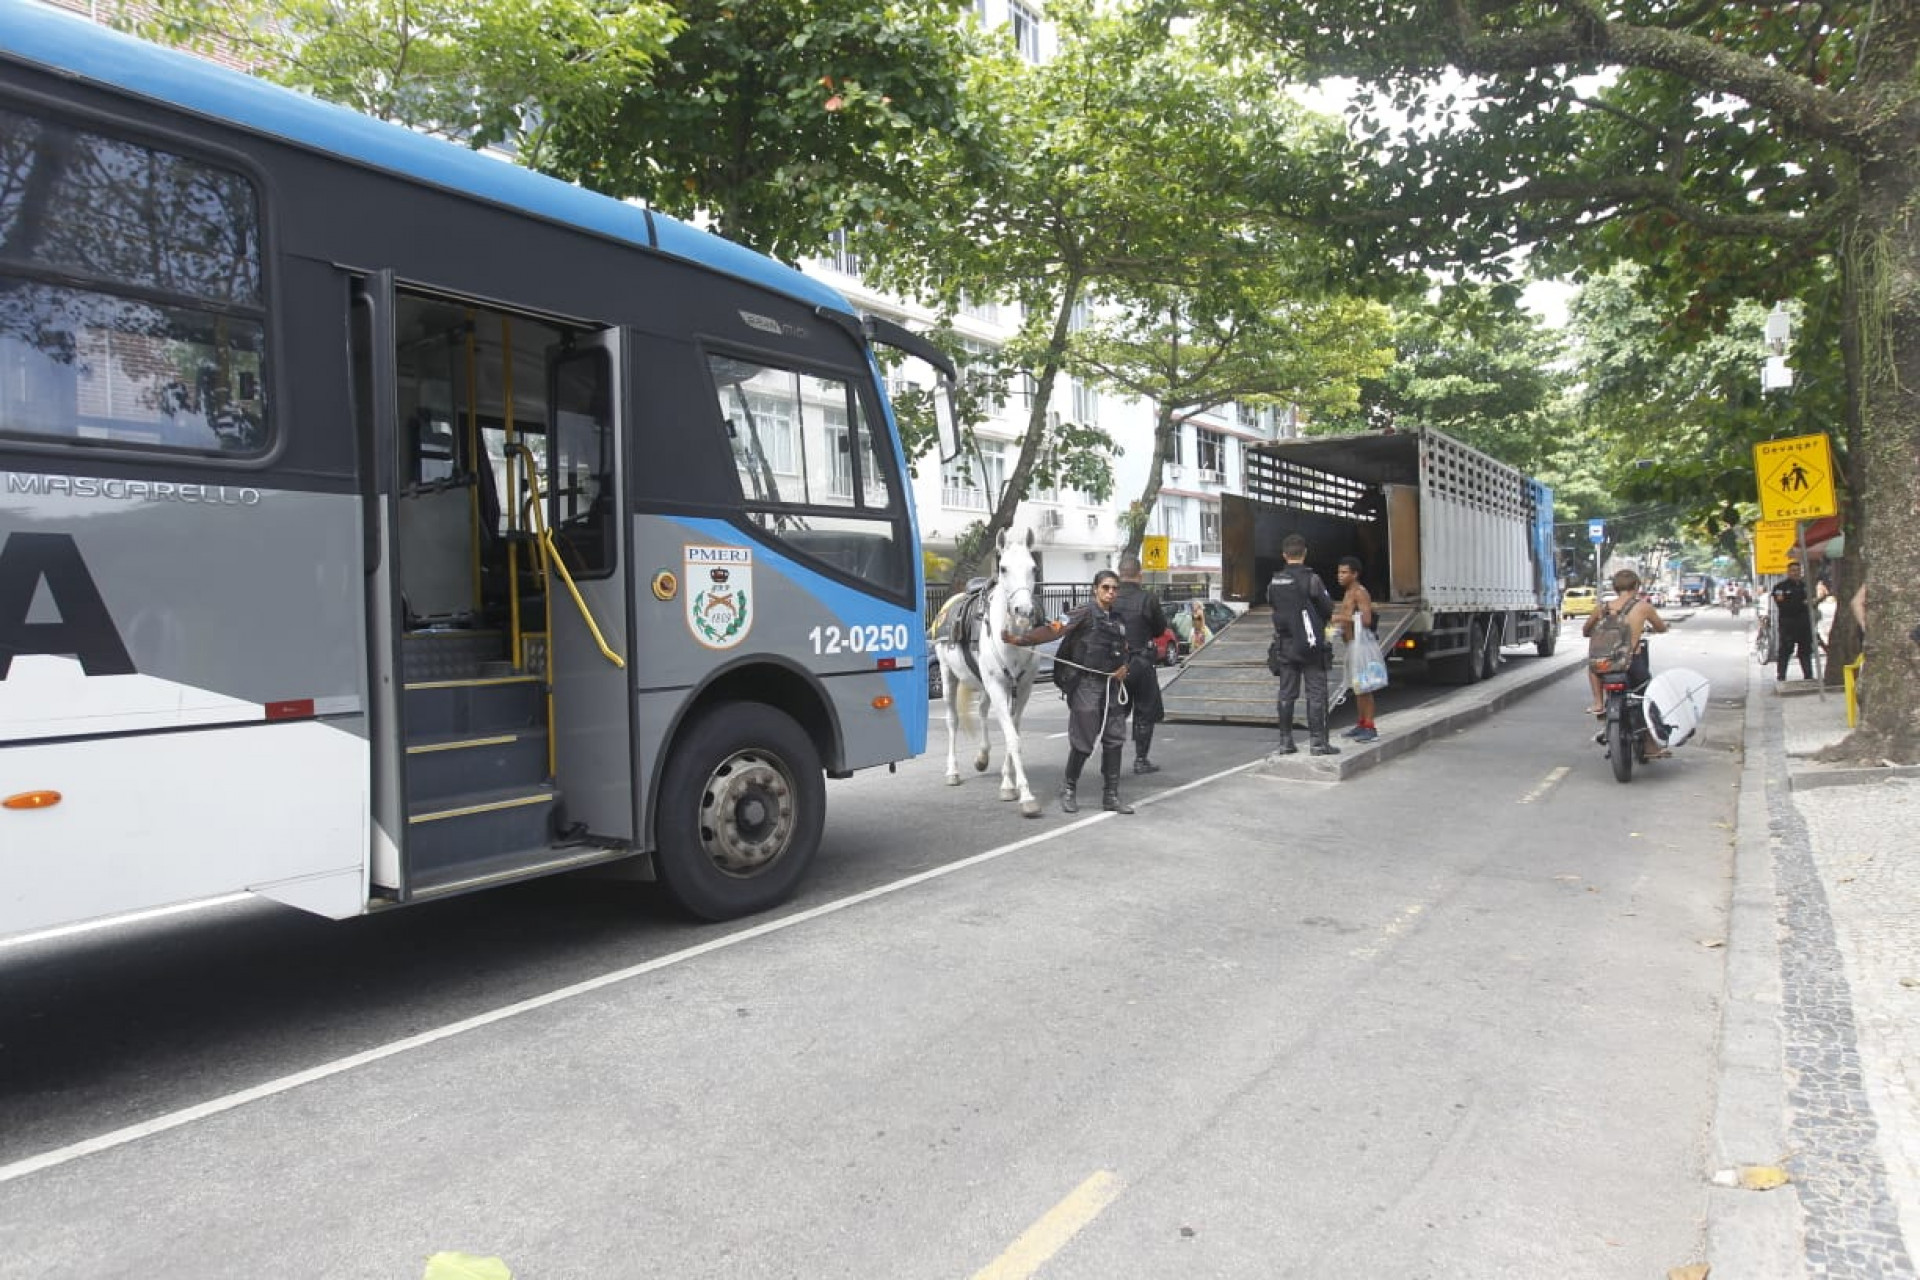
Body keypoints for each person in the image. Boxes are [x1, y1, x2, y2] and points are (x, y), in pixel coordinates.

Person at [1002, 569, 1135, 815]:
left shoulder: (1118, 618)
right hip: (1087, 685)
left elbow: (1125, 650)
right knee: (1083, 741)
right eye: (1106, 587)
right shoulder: (1083, 612)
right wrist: (1020, 640)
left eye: (1115, 588)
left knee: (1115, 739)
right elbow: (1054, 629)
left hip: (1112, 687)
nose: (1110, 592)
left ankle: (1111, 796)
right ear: (1095, 589)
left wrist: (1124, 668)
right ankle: (1069, 789)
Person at [1267, 534, 1339, 756]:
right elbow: (1328, 608)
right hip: (1310, 643)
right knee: (1316, 692)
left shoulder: (1275, 582)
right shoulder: (1312, 579)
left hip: (1285, 644)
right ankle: (1318, 743)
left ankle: (1285, 741)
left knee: (1286, 693)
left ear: (1284, 555)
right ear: (1305, 553)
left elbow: (1273, 605)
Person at [1581, 567, 1670, 725]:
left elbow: (1586, 631)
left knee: (1593, 666)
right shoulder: (1643, 607)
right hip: (1632, 662)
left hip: (1604, 664)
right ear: (1636, 586)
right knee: (1647, 700)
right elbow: (1661, 628)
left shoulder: (1602, 608)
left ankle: (1598, 703)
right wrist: (1661, 628)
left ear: (1615, 588)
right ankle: (1652, 745)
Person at [1111, 555, 1170, 774]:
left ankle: (1111, 760)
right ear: (1140, 575)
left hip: (1116, 664)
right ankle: (1140, 759)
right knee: (1144, 711)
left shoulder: (1110, 598)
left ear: (1119, 573)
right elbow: (1159, 629)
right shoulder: (1148, 599)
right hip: (1142, 662)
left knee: (1116, 712)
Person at [1333, 555, 1379, 743]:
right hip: (1351, 645)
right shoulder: (1348, 592)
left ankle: (1370, 727)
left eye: (1344, 572)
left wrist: (1341, 619)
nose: (1340, 576)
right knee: (1358, 688)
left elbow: (1366, 620)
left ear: (1355, 574)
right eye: (1339, 572)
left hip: (1361, 645)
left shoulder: (1360, 592)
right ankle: (1361, 724)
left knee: (1365, 687)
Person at [1771, 560, 1817, 684]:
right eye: (1793, 571)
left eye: (1798, 571)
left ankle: (1808, 675)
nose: (1795, 573)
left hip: (1803, 623)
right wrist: (1802, 604)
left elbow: (1811, 602)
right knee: (1785, 650)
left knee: (1805, 650)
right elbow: (1782, 605)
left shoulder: (1804, 586)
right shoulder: (1780, 588)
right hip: (1788, 624)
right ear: (1788, 572)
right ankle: (1781, 676)